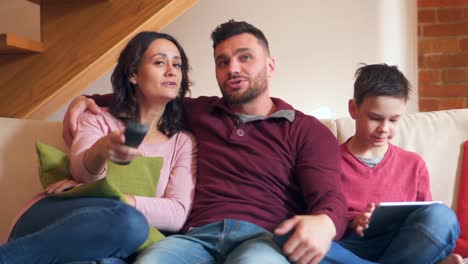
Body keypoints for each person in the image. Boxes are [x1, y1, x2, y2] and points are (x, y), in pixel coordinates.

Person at [64, 20, 381, 264]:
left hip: (264, 238)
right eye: (222, 61)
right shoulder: (201, 112)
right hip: (194, 238)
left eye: (245, 58)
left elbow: (330, 199)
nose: (233, 69)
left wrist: (324, 224)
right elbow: (149, 95)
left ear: (270, 65)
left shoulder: (306, 130)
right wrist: (86, 98)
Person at [0, 31, 196, 264]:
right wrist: (102, 150)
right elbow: (80, 173)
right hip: (57, 217)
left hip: (114, 239)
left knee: (118, 248)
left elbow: (176, 214)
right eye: (160, 62)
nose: (172, 71)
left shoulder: (183, 142)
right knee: (132, 223)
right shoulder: (97, 118)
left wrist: (112, 198)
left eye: (177, 65)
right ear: (134, 73)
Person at [337, 63, 462, 264]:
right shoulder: (329, 162)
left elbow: (426, 219)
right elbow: (319, 219)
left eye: (394, 120)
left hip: (402, 244)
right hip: (352, 248)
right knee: (290, 241)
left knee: (442, 216)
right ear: (353, 109)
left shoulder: (413, 164)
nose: (384, 128)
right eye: (375, 118)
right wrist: (353, 222)